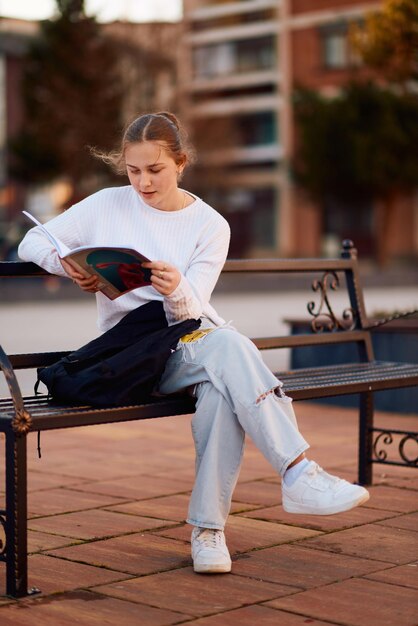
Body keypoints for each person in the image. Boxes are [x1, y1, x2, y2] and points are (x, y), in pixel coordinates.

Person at [18, 111, 369, 574]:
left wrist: (175, 286)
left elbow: (188, 313)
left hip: (187, 339)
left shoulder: (210, 225)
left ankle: (210, 533)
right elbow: (29, 241)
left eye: (155, 170)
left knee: (222, 383)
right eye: (134, 170)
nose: (143, 182)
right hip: (132, 356)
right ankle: (295, 473)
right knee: (228, 350)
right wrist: (65, 263)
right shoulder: (106, 204)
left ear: (181, 163)